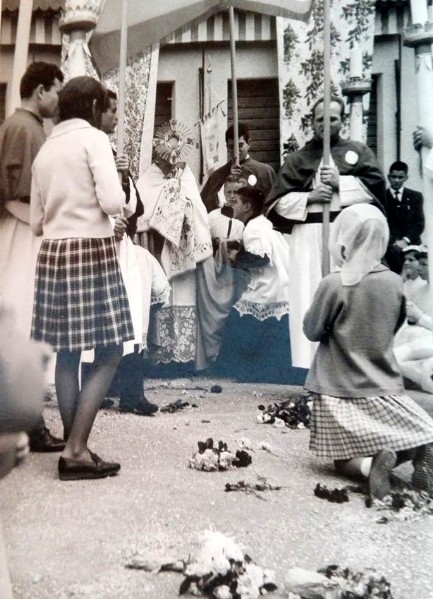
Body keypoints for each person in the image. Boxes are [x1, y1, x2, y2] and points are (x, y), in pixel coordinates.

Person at [30, 76, 134, 480]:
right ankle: (75, 449)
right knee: (109, 351)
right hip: (89, 249)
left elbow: (37, 222)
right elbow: (112, 202)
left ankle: (78, 448)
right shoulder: (94, 141)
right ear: (92, 106)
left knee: (67, 353)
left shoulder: (46, 150)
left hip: (53, 253)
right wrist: (121, 191)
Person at [303, 204, 433, 500]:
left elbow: (312, 330)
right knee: (402, 429)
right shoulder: (394, 283)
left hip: (337, 388)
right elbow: (396, 325)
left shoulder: (334, 283)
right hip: (383, 387)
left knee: (342, 456)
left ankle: (370, 465)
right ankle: (418, 451)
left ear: (344, 244)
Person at [265, 95, 386, 369]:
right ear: (313, 123)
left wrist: (342, 182)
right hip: (307, 236)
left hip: (346, 236)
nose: (326, 124)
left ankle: (348, 364)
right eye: (320, 119)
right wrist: (310, 197)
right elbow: (276, 203)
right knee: (309, 296)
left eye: (332, 118)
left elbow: (377, 191)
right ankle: (311, 366)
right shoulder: (298, 159)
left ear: (341, 120)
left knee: (347, 296)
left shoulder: (358, 152)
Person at [0, 61, 65, 453]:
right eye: (56, 90)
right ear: (41, 90)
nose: (57, 99)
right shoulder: (26, 128)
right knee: (26, 323)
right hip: (22, 232)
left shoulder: (16, 125)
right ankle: (29, 423)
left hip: (16, 232)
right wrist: (44, 227)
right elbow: (13, 196)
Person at [135, 120, 213, 369]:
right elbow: (141, 209)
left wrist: (181, 198)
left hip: (183, 250)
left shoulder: (186, 175)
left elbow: (198, 210)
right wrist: (166, 198)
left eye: (175, 155)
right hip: (157, 248)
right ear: (158, 151)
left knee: (184, 296)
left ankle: (183, 358)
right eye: (165, 154)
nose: (170, 160)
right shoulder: (150, 178)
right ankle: (158, 357)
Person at [216, 186, 304, 383]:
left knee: (240, 320)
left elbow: (261, 257)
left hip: (268, 286)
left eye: (236, 201)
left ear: (247, 206)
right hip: (281, 282)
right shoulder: (263, 222)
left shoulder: (253, 228)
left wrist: (236, 257)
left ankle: (238, 370)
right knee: (266, 330)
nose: (231, 203)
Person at [195, 175, 246, 371]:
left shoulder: (241, 222)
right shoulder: (212, 217)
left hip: (233, 273)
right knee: (211, 317)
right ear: (222, 193)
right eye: (229, 192)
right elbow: (205, 242)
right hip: (213, 273)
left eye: (237, 193)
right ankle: (209, 357)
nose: (233, 197)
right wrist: (218, 243)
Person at [200, 122, 276, 212]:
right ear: (227, 147)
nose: (236, 150)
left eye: (240, 145)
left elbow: (274, 205)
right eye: (231, 147)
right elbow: (205, 206)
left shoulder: (265, 172)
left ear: (248, 144)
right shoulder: (217, 176)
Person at [394, 248, 433, 393]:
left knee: (409, 351)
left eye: (424, 265)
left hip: (427, 340)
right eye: (421, 264)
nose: (420, 268)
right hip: (417, 337)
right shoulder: (422, 289)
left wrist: (419, 316)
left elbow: (421, 318)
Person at [385, 160, 424, 273]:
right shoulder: (382, 198)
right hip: (390, 249)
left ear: (406, 177)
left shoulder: (415, 196)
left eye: (400, 177)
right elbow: (382, 224)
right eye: (394, 177)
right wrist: (394, 242)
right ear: (388, 177)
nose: (397, 180)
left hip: (412, 246)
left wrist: (406, 240)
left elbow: (419, 223)